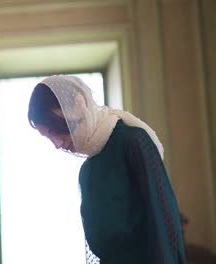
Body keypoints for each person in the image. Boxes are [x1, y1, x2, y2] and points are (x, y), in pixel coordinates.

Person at [27, 75, 186, 263]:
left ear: (75, 109)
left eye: (54, 131)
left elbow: (163, 220)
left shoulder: (132, 141)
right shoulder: (87, 170)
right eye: (47, 137)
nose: (56, 144)